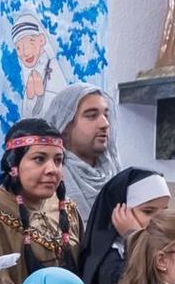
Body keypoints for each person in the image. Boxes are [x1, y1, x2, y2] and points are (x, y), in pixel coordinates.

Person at [0, 119, 84, 284]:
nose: (52, 169)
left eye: (58, 160)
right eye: (39, 159)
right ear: (13, 165)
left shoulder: (67, 208)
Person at [81, 167, 169, 284]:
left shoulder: (163, 249)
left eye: (164, 211)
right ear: (119, 212)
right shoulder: (107, 259)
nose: (159, 220)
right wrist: (133, 235)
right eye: (148, 211)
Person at [41, 84, 118, 219]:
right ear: (64, 125)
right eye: (92, 116)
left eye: (106, 115)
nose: (105, 124)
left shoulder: (116, 175)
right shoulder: (50, 179)